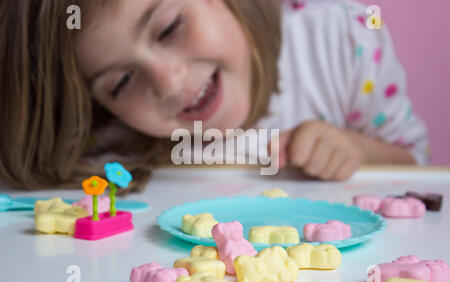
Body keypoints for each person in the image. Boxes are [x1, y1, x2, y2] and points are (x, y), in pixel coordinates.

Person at [0, 0, 428, 191]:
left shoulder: (340, 39)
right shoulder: (110, 142)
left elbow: (418, 168)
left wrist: (352, 149)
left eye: (169, 28)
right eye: (121, 82)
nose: (168, 83)